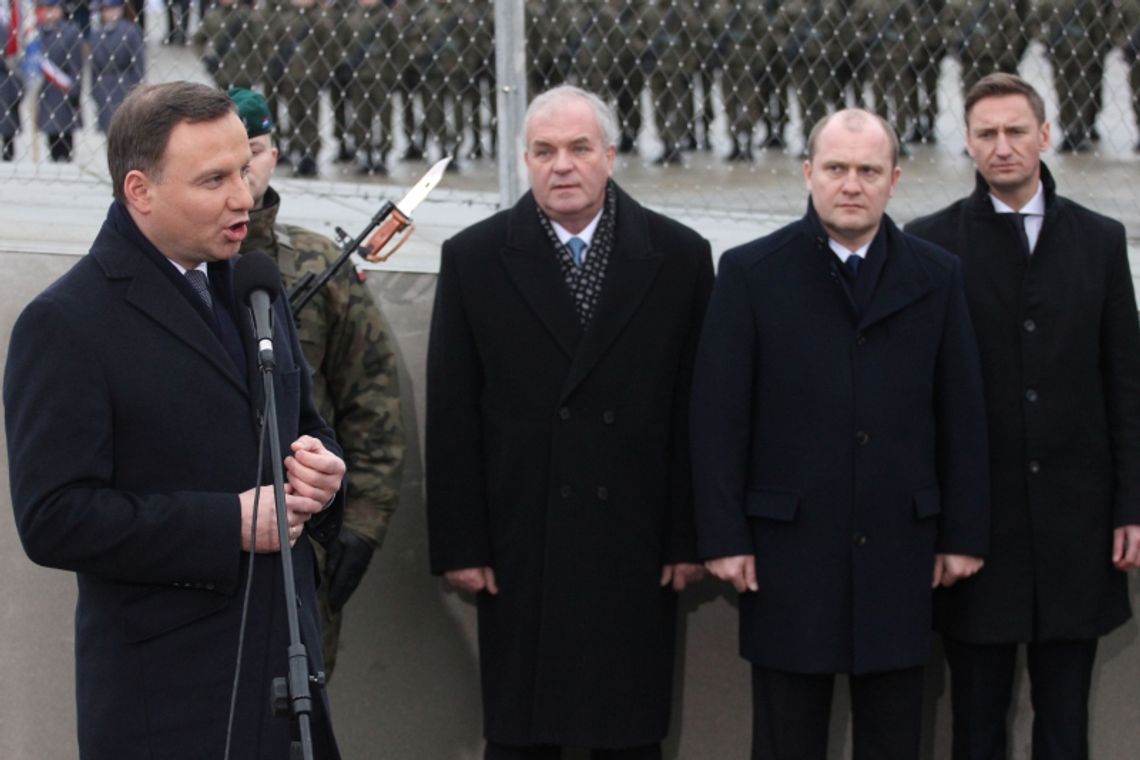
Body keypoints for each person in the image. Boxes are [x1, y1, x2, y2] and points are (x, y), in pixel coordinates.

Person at [4, 81, 346, 760]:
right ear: (140, 191)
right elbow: (55, 518)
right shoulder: (68, 323)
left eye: (243, 171)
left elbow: (301, 424)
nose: (243, 197)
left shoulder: (255, 287)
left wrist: (323, 471)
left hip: (287, 683)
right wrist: (228, 525)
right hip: (168, 703)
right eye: (214, 179)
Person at [692, 108, 990, 760]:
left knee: (893, 737)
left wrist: (963, 532)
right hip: (784, 554)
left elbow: (961, 413)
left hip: (900, 551)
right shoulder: (750, 273)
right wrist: (723, 534)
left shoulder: (937, 275)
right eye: (835, 168)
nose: (850, 184)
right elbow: (718, 417)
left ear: (893, 180)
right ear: (808, 173)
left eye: (867, 171)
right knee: (785, 738)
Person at [426, 84, 713, 760]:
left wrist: (687, 536)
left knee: (627, 732)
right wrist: (462, 543)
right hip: (523, 537)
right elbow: (454, 412)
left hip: (635, 539)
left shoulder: (678, 257)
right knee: (525, 732)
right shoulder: (474, 258)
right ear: (524, 160)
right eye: (545, 151)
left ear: (610, 156)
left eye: (580, 148)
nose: (563, 165)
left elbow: (695, 411)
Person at [905, 72, 1140, 760]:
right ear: (968, 145)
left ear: (1044, 134)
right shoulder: (932, 242)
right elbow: (920, 398)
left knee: (1066, 720)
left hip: (1079, 525)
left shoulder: (1100, 241)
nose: (1002, 146)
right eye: (987, 134)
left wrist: (1131, 507)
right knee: (977, 720)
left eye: (1015, 131)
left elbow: (1125, 384)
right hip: (979, 529)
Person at [229, 87, 406, 676]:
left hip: (303, 546)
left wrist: (361, 525)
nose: (239, 168)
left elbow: (371, 399)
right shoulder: (177, 266)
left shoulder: (315, 264)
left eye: (250, 150)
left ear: (273, 154)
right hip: (205, 544)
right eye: (224, 153)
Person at [35, 0, 83, 162]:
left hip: (64, 93)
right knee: (51, 140)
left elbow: (76, 67)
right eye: (46, 8)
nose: (49, 12)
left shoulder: (70, 32)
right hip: (46, 92)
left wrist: (75, 92)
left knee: (65, 141)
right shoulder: (38, 32)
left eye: (53, 8)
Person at [89, 0, 145, 134]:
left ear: (119, 9)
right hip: (104, 86)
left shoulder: (131, 31)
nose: (108, 13)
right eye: (104, 10)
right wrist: (95, 91)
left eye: (110, 9)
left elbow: (138, 65)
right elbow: (93, 69)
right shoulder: (96, 34)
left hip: (124, 84)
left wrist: (135, 90)